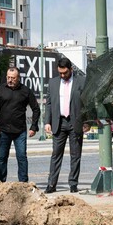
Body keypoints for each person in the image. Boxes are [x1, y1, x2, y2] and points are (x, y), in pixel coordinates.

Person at [0, 67, 40, 183]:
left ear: (18, 78)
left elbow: (36, 109)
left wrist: (33, 127)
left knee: (22, 157)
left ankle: (23, 183)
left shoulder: (25, 91)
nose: (10, 80)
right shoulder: (0, 90)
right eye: (8, 77)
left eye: (13, 78)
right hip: (3, 130)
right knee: (2, 157)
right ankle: (0, 183)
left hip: (20, 131)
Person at [44, 57, 86, 193]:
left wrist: (87, 121)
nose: (63, 76)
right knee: (56, 154)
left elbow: (87, 102)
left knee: (75, 155)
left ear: (71, 70)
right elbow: (49, 103)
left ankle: (73, 183)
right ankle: (51, 184)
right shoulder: (53, 83)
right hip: (59, 122)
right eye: (60, 73)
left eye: (65, 73)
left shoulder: (81, 81)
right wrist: (47, 122)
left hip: (75, 122)